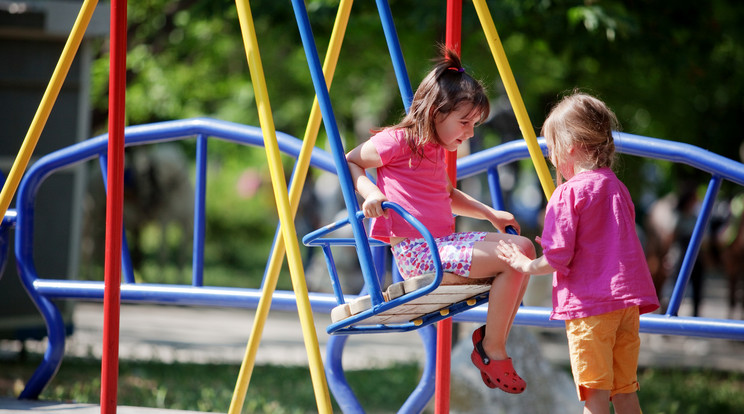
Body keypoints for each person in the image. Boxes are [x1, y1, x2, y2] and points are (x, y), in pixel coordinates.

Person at [346, 46, 535, 394]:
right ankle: (491, 348)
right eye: (464, 122)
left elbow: (448, 196)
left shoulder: (435, 149)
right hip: (420, 254)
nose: (470, 133)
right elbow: (351, 161)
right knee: (515, 257)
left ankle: (491, 343)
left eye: (474, 125)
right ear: (435, 112)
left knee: (522, 250)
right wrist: (370, 193)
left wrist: (491, 214)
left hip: (441, 246)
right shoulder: (398, 141)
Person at [495, 91, 660, 413]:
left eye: (551, 148)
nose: (551, 158)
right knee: (625, 392)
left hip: (590, 308)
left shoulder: (566, 194)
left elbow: (558, 258)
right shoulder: (616, 186)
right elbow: (604, 240)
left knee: (594, 398)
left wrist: (525, 264)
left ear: (570, 146)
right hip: (625, 305)